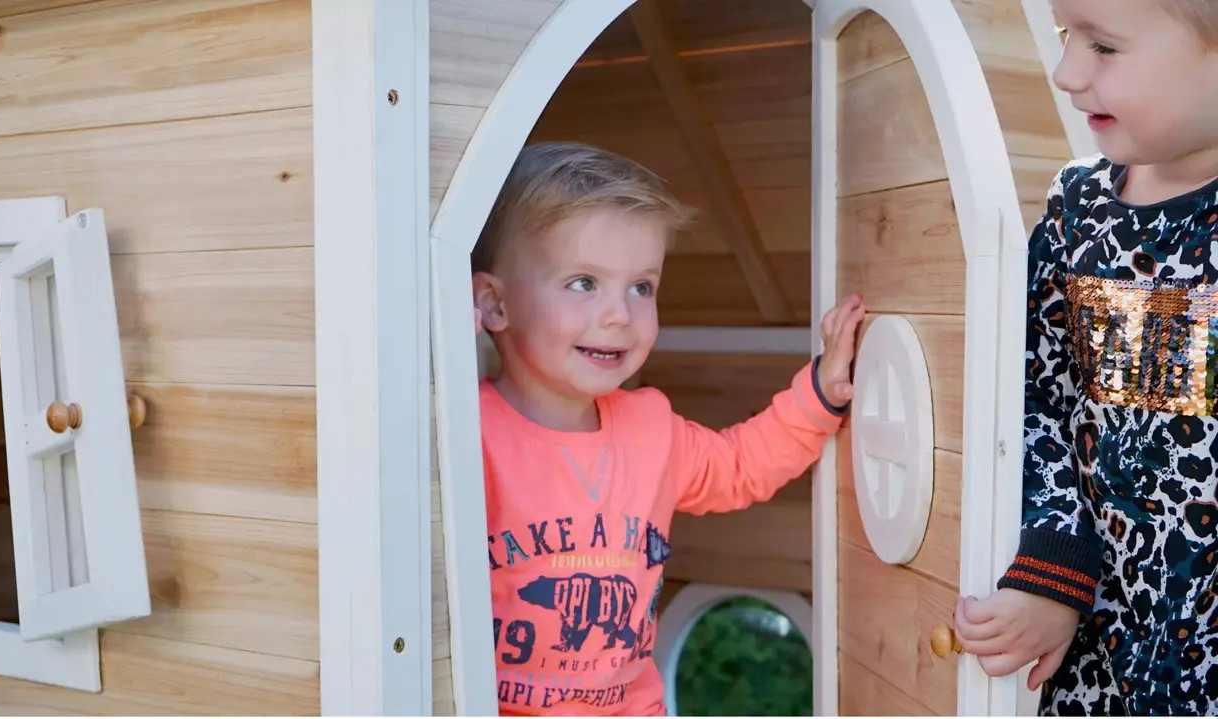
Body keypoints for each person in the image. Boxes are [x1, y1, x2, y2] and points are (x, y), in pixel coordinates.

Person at [470, 140, 864, 715]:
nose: (619, 315)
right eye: (583, 282)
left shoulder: (650, 430)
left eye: (642, 287)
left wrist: (821, 394)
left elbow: (740, 466)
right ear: (494, 304)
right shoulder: (463, 433)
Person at [953, 0, 1218, 714]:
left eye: (1103, 46)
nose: (1066, 73)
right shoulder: (1078, 210)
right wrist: (1054, 567)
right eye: (1066, 36)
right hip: (1097, 672)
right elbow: (1030, 393)